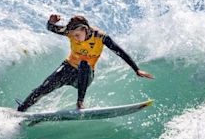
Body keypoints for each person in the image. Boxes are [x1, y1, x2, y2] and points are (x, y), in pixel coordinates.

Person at [17, 14, 154, 112]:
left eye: (77, 35)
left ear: (85, 29)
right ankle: (21, 110)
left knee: (84, 63)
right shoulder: (69, 32)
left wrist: (136, 69)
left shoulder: (100, 37)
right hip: (68, 68)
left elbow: (120, 52)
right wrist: (50, 21)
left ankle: (80, 103)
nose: (75, 38)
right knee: (43, 88)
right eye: (73, 35)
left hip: (84, 75)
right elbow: (51, 28)